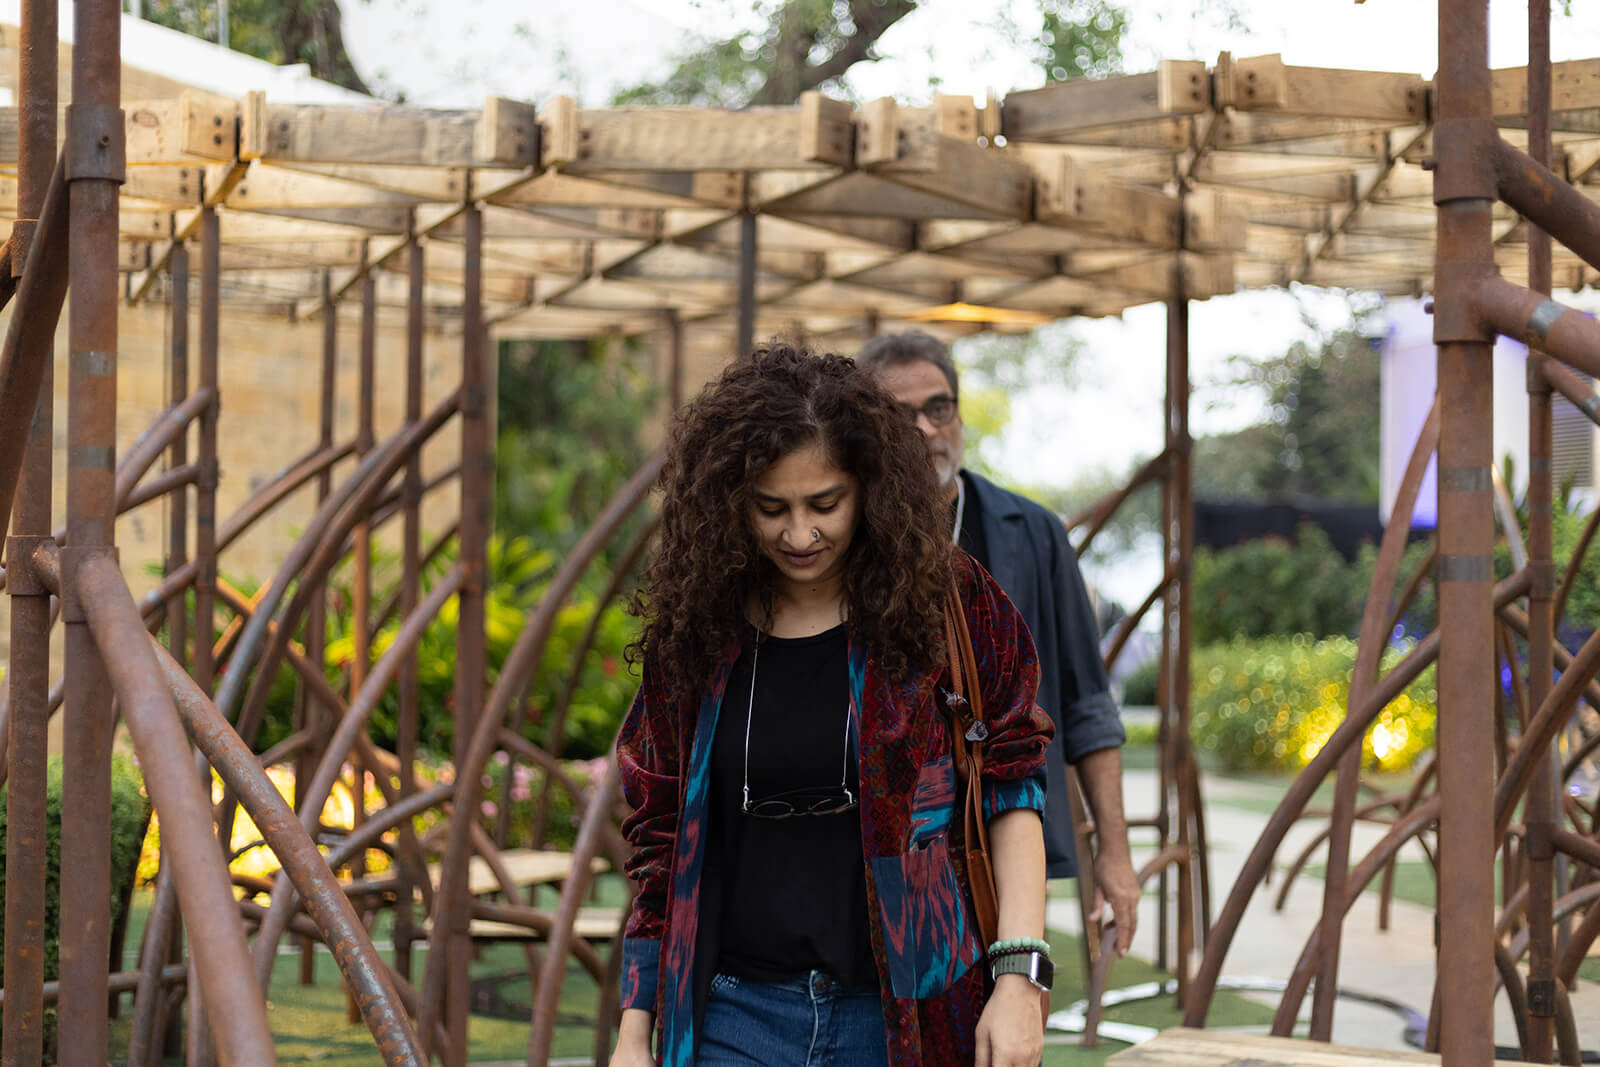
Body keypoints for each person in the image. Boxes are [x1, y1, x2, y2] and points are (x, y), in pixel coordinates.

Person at [611, 344, 1055, 1067]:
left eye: (825, 504)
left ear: (869, 487)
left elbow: (1013, 788)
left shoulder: (948, 604)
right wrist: (635, 1028)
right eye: (771, 508)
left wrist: (1019, 977)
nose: (799, 534)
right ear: (730, 501)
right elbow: (660, 840)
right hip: (733, 1016)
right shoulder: (697, 635)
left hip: (908, 1016)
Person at [857, 330, 1141, 958]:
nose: (926, 430)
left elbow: (1088, 702)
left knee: (1014, 1001)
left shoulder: (1033, 531)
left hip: (1010, 831)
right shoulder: (844, 538)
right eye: (900, 416)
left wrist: (1115, 853)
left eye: (939, 407)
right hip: (880, 843)